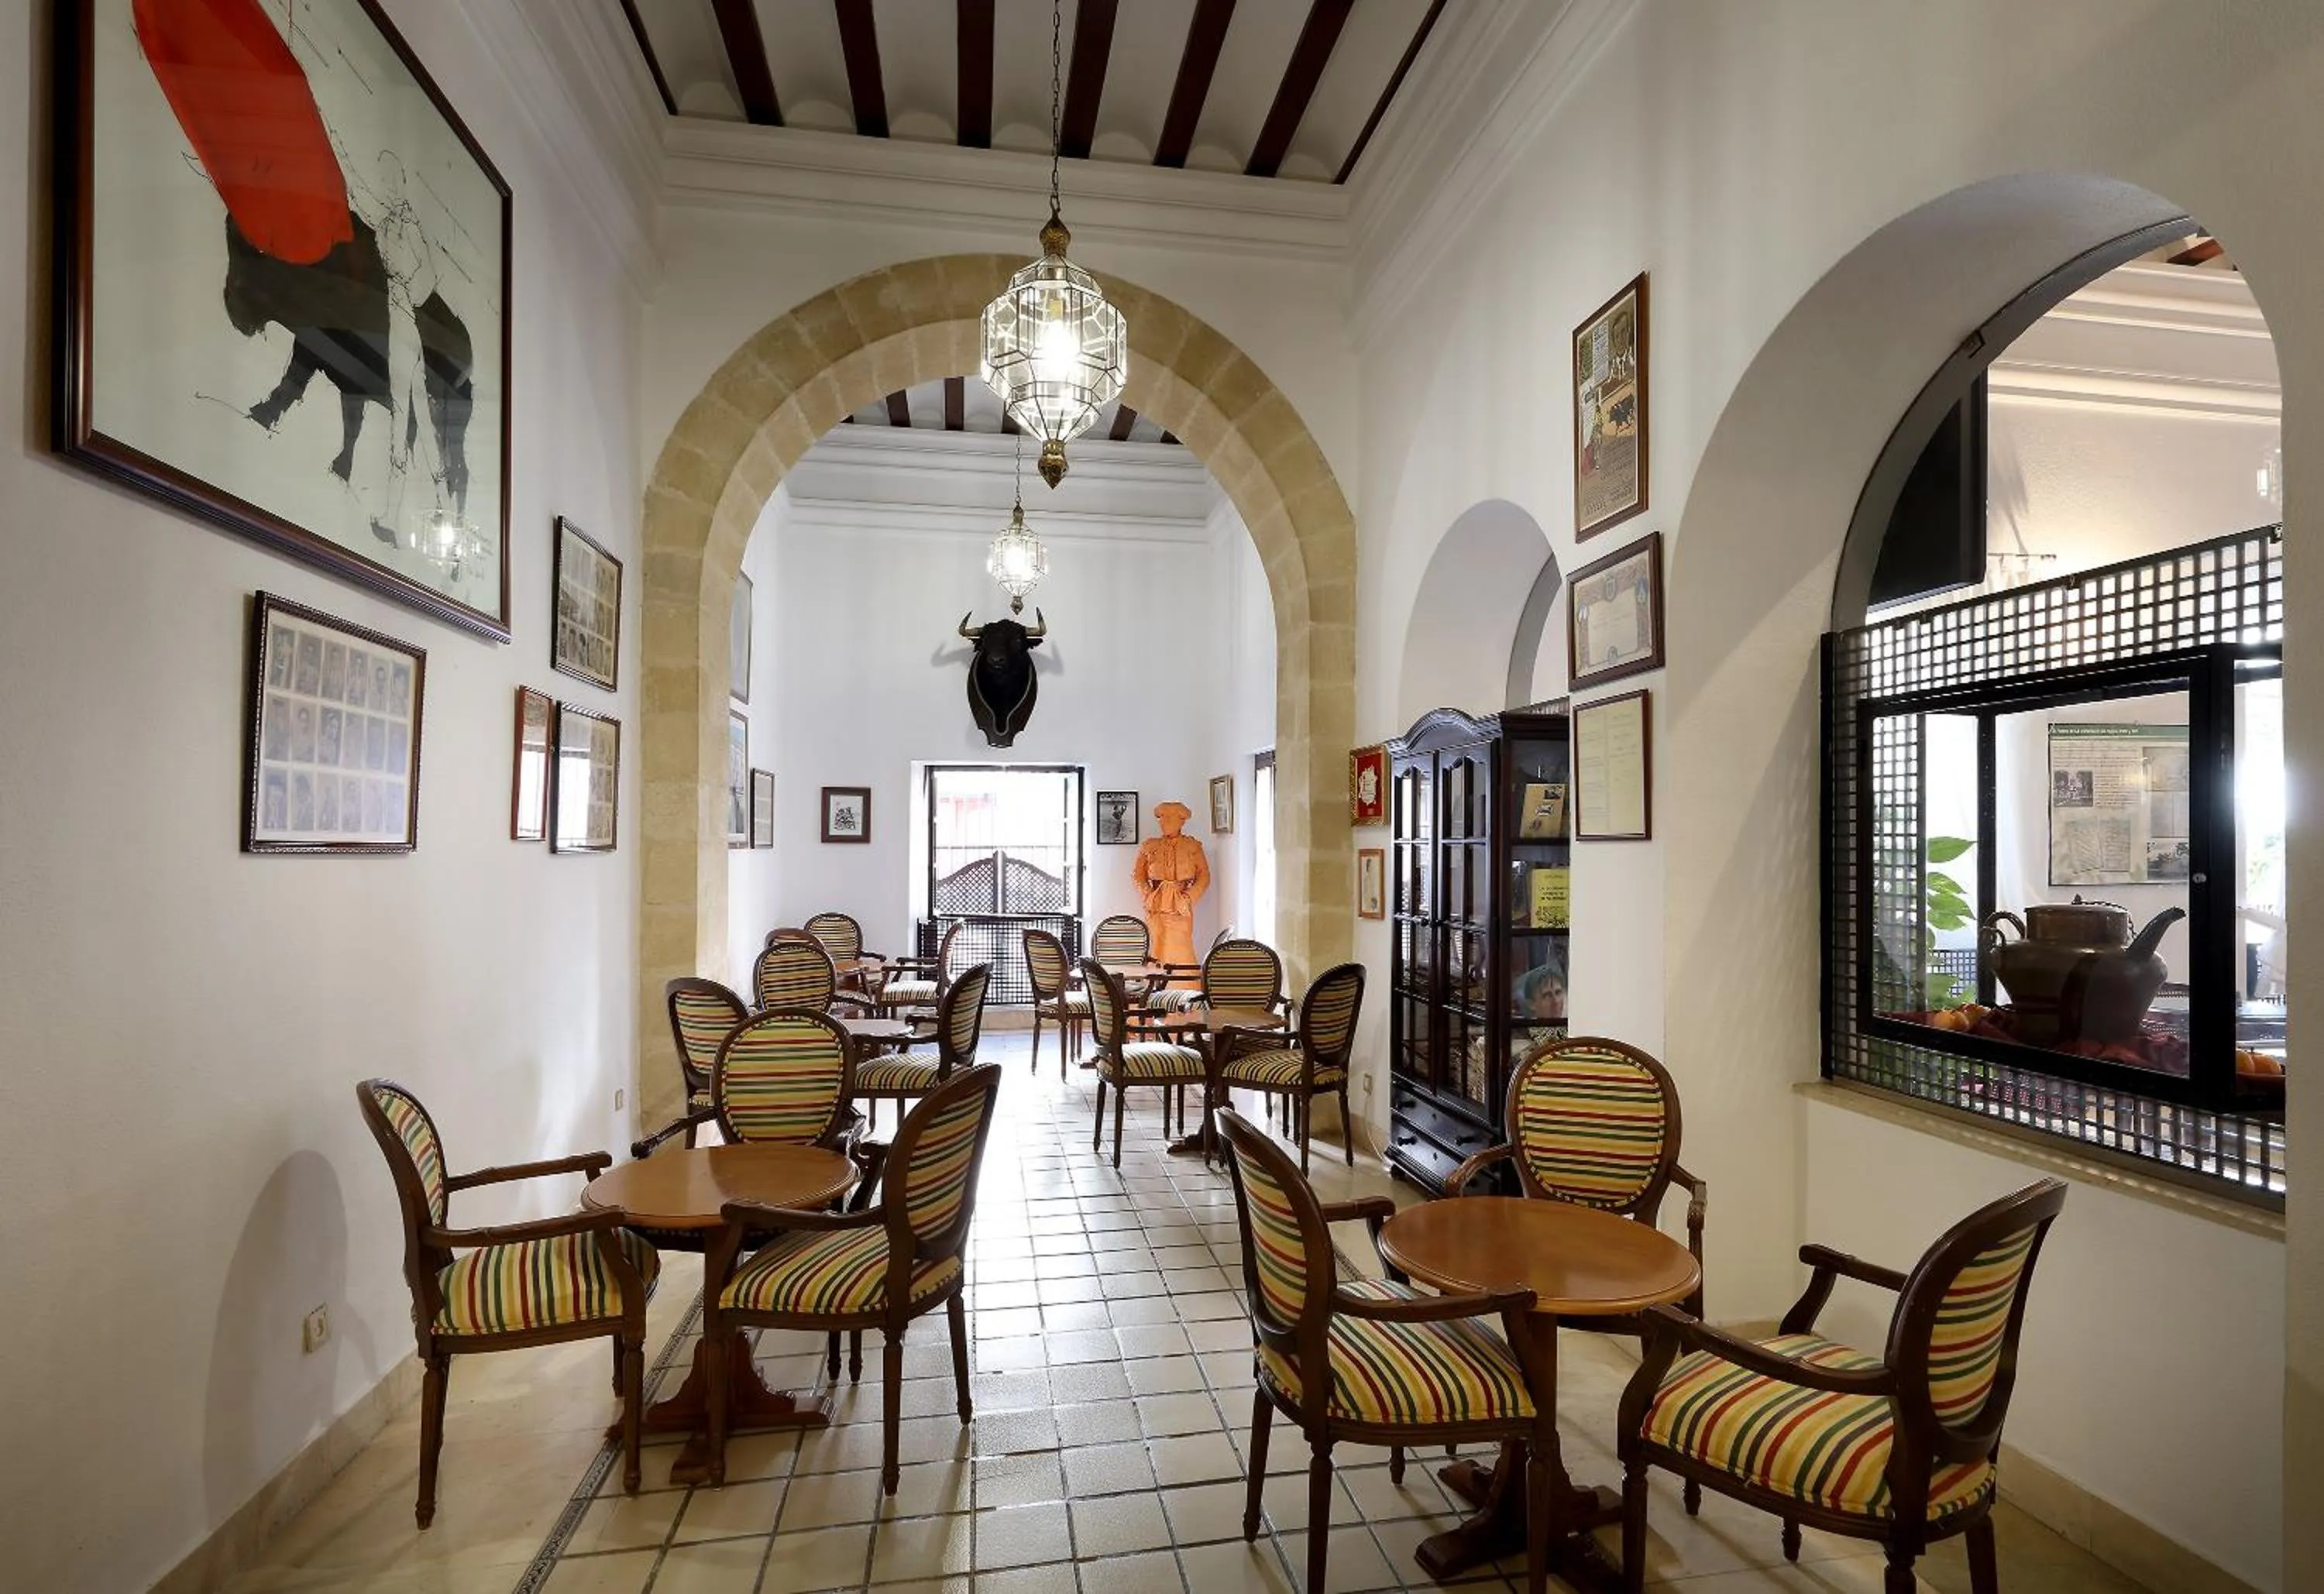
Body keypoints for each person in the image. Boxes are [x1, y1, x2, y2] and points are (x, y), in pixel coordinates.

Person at [1132, 801, 1211, 970]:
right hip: (1157, 905)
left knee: (1182, 948)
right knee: (1157, 946)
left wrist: (1189, 897)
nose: (1163, 823)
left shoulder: (1192, 847)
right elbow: (1138, 875)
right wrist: (1147, 894)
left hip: (1180, 906)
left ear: (1181, 822)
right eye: (1161, 819)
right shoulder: (1149, 846)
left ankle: (1185, 988)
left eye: (1169, 819)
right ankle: (1155, 989)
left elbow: (1204, 876)